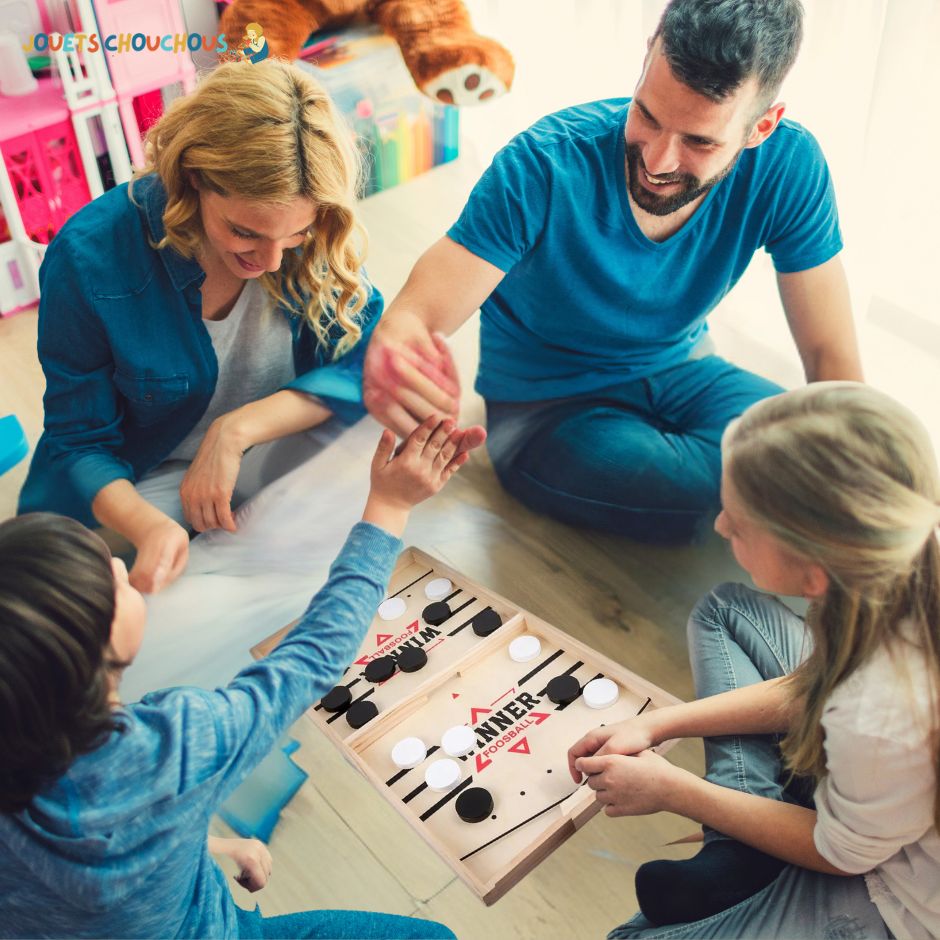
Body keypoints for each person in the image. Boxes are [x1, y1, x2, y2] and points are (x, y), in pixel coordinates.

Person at [362, 0, 864, 544]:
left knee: (823, 455)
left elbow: (830, 358)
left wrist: (862, 470)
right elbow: (416, 316)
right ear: (648, 55)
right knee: (755, 488)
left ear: (761, 126)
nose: (658, 160)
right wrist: (395, 359)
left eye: (699, 141)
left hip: (687, 369)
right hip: (545, 412)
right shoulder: (543, 165)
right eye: (647, 114)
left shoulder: (790, 165)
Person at [0, 415, 474, 939]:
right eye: (109, 582)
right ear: (97, 655)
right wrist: (389, 506)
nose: (117, 564)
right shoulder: (179, 744)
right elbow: (315, 654)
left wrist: (203, 841)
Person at [566, 383, 940, 939]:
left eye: (737, 523)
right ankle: (743, 851)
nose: (719, 526)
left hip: (898, 895)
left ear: (814, 572)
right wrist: (652, 721)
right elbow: (812, 687)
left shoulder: (879, 709)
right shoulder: (898, 560)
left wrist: (674, 790)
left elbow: (843, 855)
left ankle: (743, 842)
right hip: (880, 787)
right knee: (724, 610)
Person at [18, 59, 386, 594]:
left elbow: (369, 362)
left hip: (258, 452)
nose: (271, 261)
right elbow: (80, 441)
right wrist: (148, 528)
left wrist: (236, 430)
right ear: (192, 177)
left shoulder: (314, 234)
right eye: (244, 232)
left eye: (295, 236)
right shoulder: (90, 258)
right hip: (141, 477)